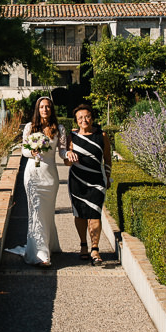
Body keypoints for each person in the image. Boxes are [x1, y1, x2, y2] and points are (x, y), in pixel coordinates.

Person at [17, 96, 69, 267]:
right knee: (36, 212)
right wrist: (32, 151)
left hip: (50, 175)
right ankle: (41, 254)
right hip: (32, 174)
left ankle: (49, 244)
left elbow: (61, 152)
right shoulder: (30, 128)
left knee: (47, 212)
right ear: (37, 109)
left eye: (47, 107)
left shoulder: (59, 129)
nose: (45, 110)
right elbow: (23, 150)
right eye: (42, 107)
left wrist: (68, 154)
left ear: (51, 109)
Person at [65, 104, 111, 266]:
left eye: (87, 116)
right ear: (76, 121)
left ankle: (95, 248)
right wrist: (68, 154)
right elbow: (66, 162)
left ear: (92, 117)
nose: (84, 120)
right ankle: (83, 245)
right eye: (80, 118)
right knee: (80, 213)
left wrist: (108, 176)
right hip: (77, 181)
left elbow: (107, 157)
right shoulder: (71, 136)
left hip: (97, 181)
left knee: (95, 213)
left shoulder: (102, 135)